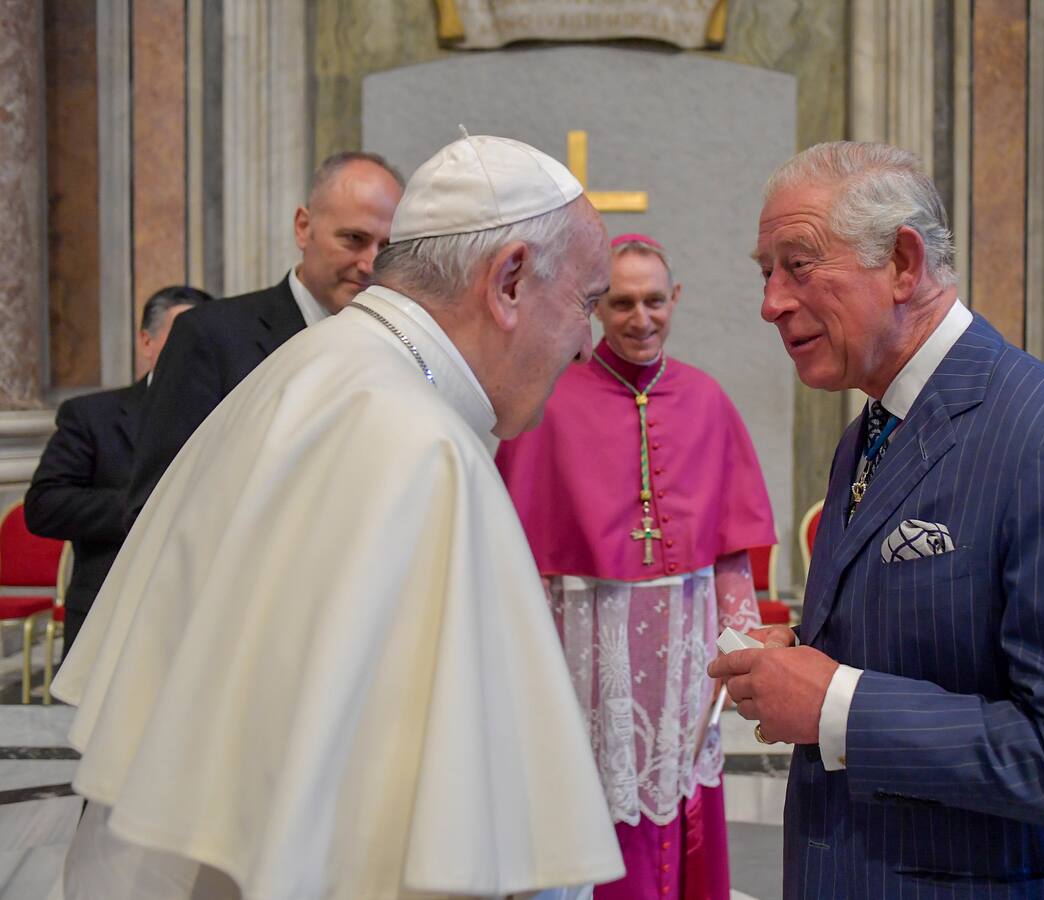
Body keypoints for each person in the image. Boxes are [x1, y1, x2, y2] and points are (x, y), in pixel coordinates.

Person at [49, 134, 624, 900]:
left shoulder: (322, 366)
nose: (587, 346)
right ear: (510, 279)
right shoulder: (420, 446)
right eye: (586, 303)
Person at [709, 141, 1044, 898]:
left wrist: (836, 704)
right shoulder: (867, 430)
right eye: (766, 271)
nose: (771, 303)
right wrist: (801, 657)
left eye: (798, 263)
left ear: (903, 263)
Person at [494, 234, 775, 899]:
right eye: (621, 303)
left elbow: (730, 551)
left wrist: (741, 648)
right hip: (590, 656)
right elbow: (524, 562)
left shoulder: (707, 401)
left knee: (678, 798)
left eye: (654, 301)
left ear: (675, 299)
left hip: (684, 653)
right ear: (598, 308)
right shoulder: (552, 404)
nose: (640, 318)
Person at [124, 151, 405, 525]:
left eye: (386, 247)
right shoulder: (211, 337)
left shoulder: (400, 349)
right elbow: (157, 507)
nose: (370, 264)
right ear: (303, 227)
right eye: (353, 239)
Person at [25, 285, 212, 658]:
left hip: (204, 617)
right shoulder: (93, 416)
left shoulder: (239, 416)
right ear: (146, 342)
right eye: (180, 338)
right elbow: (46, 505)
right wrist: (150, 510)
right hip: (110, 614)